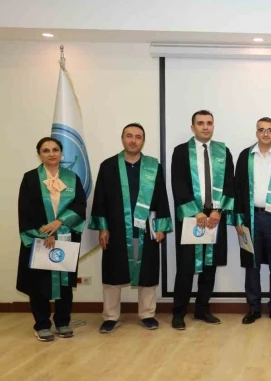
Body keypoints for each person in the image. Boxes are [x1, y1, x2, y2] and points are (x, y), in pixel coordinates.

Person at [89, 123, 173, 333]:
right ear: (122, 138)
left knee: (147, 273)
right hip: (117, 229)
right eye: (129, 136)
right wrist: (102, 228)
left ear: (143, 141)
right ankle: (111, 316)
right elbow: (100, 199)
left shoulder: (153, 166)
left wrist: (161, 226)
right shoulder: (108, 166)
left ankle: (147, 314)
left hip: (146, 228)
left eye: (138, 137)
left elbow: (161, 197)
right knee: (113, 273)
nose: (133, 140)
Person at [170, 110, 235, 330]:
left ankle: (202, 309)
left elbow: (230, 182)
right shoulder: (181, 152)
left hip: (215, 216)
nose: (205, 127)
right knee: (186, 267)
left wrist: (218, 210)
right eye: (200, 123)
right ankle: (179, 312)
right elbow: (178, 183)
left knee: (209, 266)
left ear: (213, 126)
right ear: (193, 127)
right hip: (191, 216)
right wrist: (195, 212)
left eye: (209, 123)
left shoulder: (223, 151)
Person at [17, 137, 86, 341]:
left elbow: (80, 205)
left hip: (65, 236)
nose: (51, 153)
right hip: (39, 239)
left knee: (65, 284)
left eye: (55, 149)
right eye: (45, 150)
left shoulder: (72, 178)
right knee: (39, 284)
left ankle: (63, 322)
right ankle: (42, 324)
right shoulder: (30, 178)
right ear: (39, 154)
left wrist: (60, 223)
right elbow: (25, 210)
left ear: (61, 153)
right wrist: (45, 234)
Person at [234, 117, 271, 325]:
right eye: (262, 130)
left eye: (270, 130)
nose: (266, 133)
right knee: (252, 266)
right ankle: (254, 308)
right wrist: (238, 220)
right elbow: (238, 188)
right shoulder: (245, 156)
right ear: (256, 133)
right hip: (251, 219)